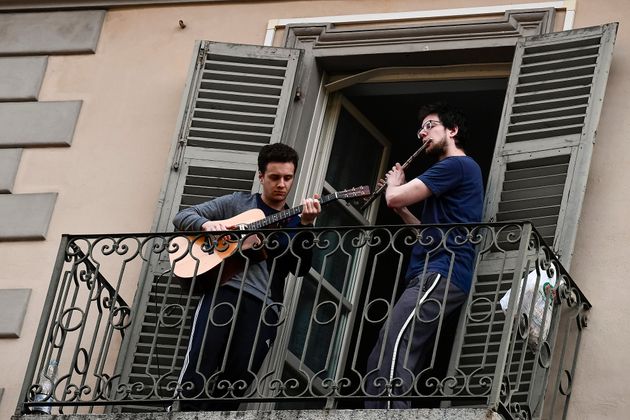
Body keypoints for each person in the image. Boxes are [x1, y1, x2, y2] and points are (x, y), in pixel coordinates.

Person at [172, 143, 321, 411]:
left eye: (288, 178)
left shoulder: (295, 222)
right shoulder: (238, 203)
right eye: (275, 177)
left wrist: (307, 226)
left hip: (264, 306)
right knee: (199, 364)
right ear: (261, 176)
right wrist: (208, 225)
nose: (282, 184)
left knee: (238, 379)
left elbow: (300, 269)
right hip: (223, 292)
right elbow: (182, 216)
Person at [364, 103, 484, 409]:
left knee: (395, 341)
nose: (422, 133)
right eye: (421, 128)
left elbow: (393, 198)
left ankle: (388, 414)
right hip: (434, 270)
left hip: (442, 270)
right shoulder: (454, 171)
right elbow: (426, 233)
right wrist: (402, 207)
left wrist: (394, 187)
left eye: (430, 126)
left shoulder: (456, 165)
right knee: (394, 344)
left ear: (452, 130)